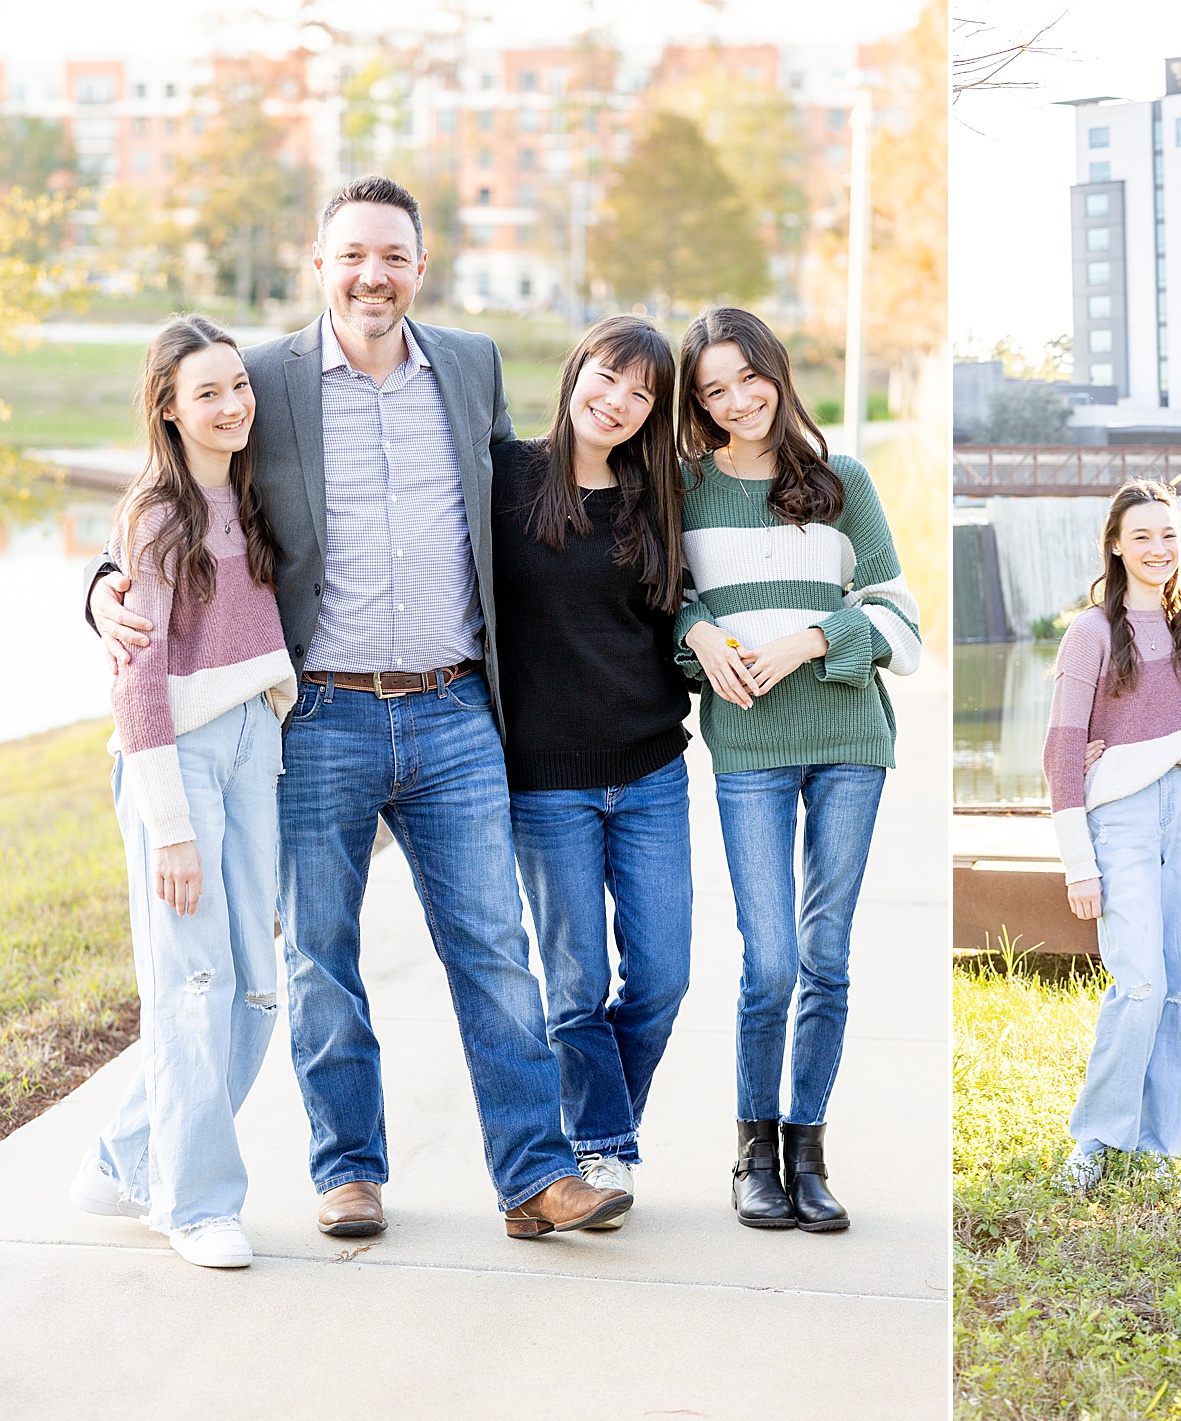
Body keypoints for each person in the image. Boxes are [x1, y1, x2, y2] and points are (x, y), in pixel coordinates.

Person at [87, 175, 627, 1240]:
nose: (372, 274)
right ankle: (347, 1167)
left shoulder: (470, 365)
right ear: (319, 265)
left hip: (456, 709)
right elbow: (183, 498)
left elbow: (524, 506)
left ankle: (534, 1176)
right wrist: (102, 585)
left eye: (393, 255)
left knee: (493, 948)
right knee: (319, 953)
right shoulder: (266, 379)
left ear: (420, 268)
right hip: (318, 713)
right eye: (352, 255)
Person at [675, 307, 921, 1232]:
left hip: (851, 741)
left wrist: (818, 637)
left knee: (825, 955)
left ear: (777, 372)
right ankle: (752, 1153)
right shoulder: (689, 488)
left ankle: (808, 1151)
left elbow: (900, 617)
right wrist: (697, 632)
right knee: (769, 959)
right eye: (715, 390)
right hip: (749, 749)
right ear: (698, 404)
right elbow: (663, 607)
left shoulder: (841, 481)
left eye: (750, 377)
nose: (739, 400)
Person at [67, 316, 297, 1269]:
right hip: (180, 757)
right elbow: (137, 676)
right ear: (169, 406)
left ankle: (123, 1160)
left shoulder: (251, 494)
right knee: (191, 983)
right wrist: (168, 825)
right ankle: (194, 1203)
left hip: (254, 745)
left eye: (239, 385)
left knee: (252, 989)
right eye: (207, 392)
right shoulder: (155, 513)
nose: (233, 404)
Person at [491, 316, 692, 1220]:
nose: (618, 401)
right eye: (609, 377)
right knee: (572, 985)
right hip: (549, 781)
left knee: (661, 976)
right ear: (576, 372)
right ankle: (602, 1154)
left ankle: (593, 1139)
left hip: (650, 770)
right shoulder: (506, 477)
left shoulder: (660, 497)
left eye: (642, 393)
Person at [1044, 479, 1181, 1192]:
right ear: (1115, 544)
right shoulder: (1091, 632)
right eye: (1141, 535)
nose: (1158, 548)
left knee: (1180, 987)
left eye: (1168, 534)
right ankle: (1096, 1136)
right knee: (1139, 981)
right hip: (1122, 815)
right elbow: (1061, 749)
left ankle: (1165, 1141)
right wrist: (1077, 863)